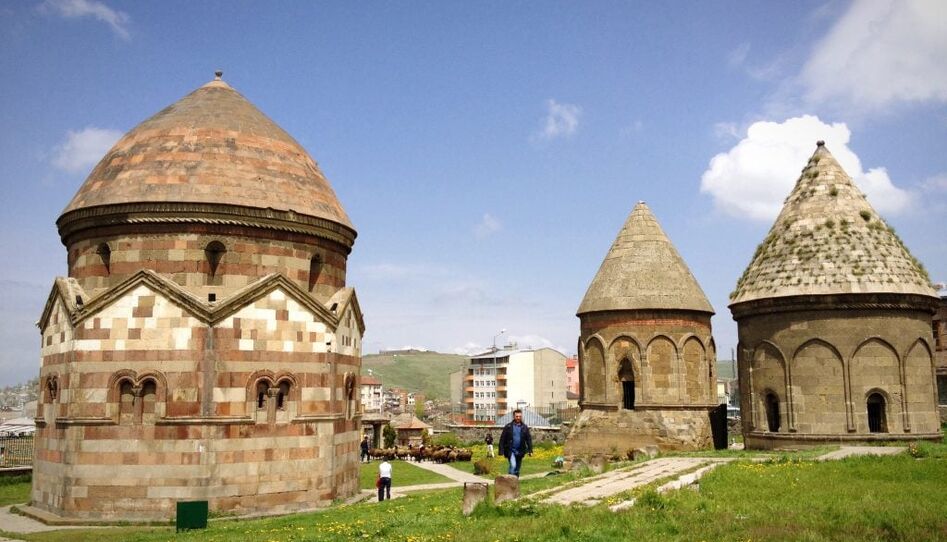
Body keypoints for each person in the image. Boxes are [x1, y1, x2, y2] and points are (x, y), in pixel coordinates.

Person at [498, 408, 532, 477]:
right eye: (517, 416)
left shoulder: (524, 427)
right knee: (513, 465)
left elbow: (528, 439)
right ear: (514, 416)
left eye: (519, 416)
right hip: (511, 451)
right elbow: (502, 439)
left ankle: (515, 481)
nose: (518, 418)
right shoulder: (508, 426)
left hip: (520, 451)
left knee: (517, 469)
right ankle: (509, 480)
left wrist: (530, 450)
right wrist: (501, 451)